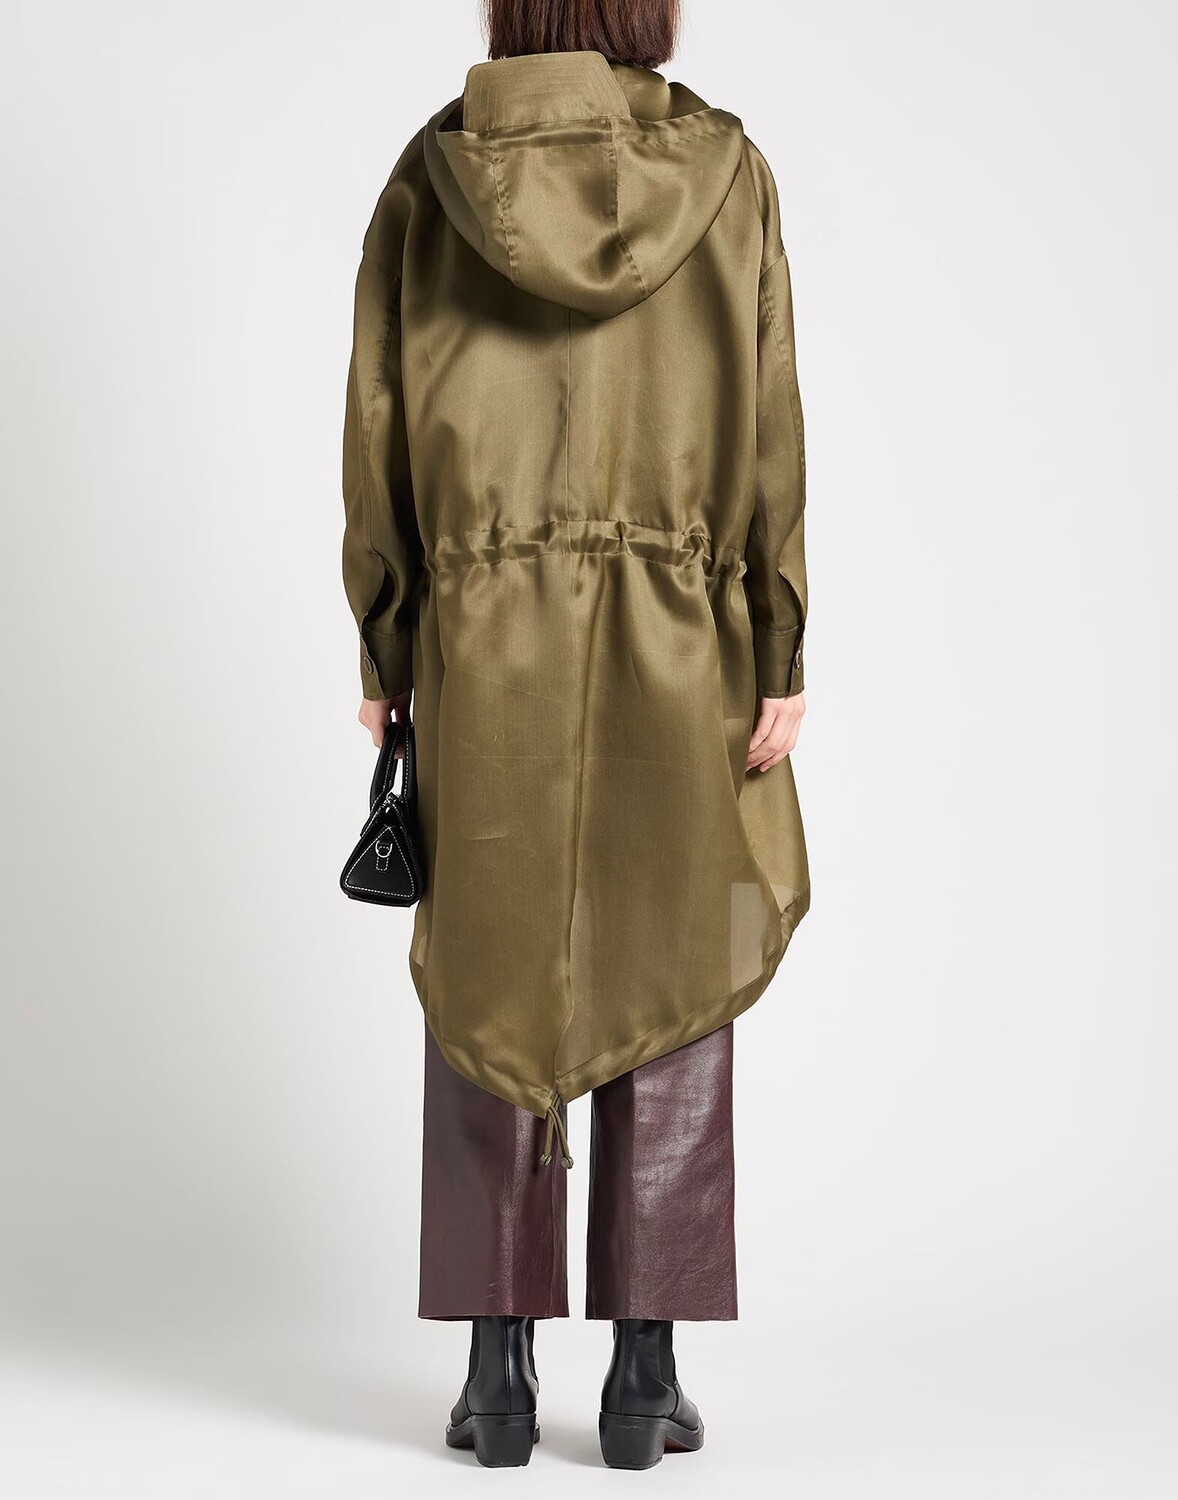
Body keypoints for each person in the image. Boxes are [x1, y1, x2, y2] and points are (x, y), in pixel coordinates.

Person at [339, 0, 810, 1470]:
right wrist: (778, 639)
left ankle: (495, 1377)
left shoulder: (436, 172)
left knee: (491, 958)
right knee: (675, 940)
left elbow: (376, 421)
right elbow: (771, 423)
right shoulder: (726, 173)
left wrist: (391, 636)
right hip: (683, 628)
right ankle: (642, 1375)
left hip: (484, 637)